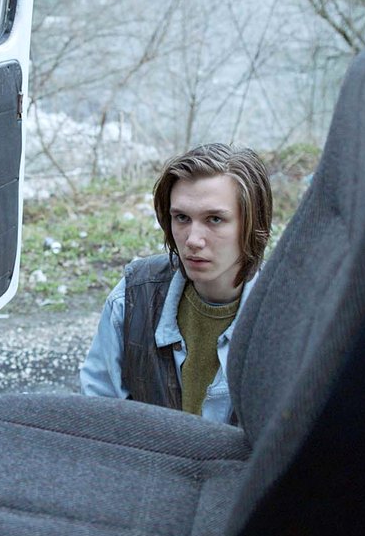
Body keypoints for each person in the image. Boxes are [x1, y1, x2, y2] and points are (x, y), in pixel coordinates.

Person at [80, 143, 272, 424]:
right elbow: (97, 413)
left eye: (214, 219)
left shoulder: (288, 313)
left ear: (253, 223)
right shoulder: (134, 295)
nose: (193, 240)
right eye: (182, 218)